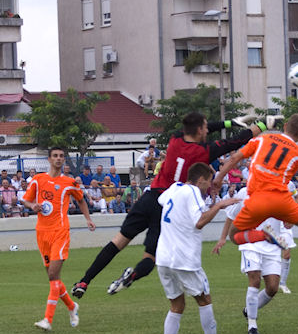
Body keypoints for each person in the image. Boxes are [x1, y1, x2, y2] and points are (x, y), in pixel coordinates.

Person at [72, 112, 263, 299]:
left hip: (149, 198)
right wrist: (264, 125)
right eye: (205, 128)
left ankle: (84, 281)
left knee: (118, 241)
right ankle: (133, 275)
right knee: (150, 257)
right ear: (199, 130)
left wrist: (229, 122)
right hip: (168, 205)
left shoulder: (175, 139)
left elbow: (196, 127)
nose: (207, 130)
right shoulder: (204, 151)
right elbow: (236, 141)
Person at [212, 114, 298, 248]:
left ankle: (264, 235)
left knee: (234, 235)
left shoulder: (262, 139)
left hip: (258, 199)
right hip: (281, 199)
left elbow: (234, 159)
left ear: (285, 126)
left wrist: (219, 178)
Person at [154, 162, 238, 334]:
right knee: (204, 299)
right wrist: (218, 205)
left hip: (163, 258)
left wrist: (209, 202)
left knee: (177, 304)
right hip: (184, 259)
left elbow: (161, 200)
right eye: (209, 182)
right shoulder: (192, 191)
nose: (209, 186)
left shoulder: (175, 188)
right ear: (200, 180)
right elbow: (199, 222)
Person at [22, 147, 96, 331]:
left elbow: (81, 200)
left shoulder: (69, 182)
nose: (58, 158)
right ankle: (71, 306)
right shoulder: (38, 179)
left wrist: (88, 219)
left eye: (61, 156)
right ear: (49, 159)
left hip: (60, 232)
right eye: (55, 156)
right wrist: (32, 206)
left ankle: (47, 320)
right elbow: (25, 200)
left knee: (53, 275)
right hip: (42, 233)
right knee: (53, 277)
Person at [214, 186, 281, 334]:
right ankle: (252, 325)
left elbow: (289, 217)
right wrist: (223, 238)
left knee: (272, 287)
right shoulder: (245, 192)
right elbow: (231, 216)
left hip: (271, 245)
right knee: (254, 279)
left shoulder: (280, 191)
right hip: (250, 242)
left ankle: (249, 310)